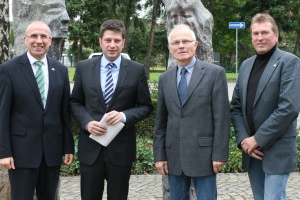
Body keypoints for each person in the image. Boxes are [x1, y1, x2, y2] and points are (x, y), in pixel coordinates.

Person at [70, 19, 153, 200]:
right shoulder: (83, 67)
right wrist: (87, 123)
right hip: (91, 149)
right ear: (100, 41)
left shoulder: (136, 70)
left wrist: (124, 115)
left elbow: (146, 106)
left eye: (117, 40)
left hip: (121, 150)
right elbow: (75, 102)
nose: (112, 45)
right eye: (108, 40)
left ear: (123, 42)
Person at [153, 24, 230, 200]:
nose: (181, 45)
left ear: (195, 45)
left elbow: (222, 118)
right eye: (176, 42)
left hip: (205, 156)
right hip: (174, 157)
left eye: (185, 41)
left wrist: (219, 154)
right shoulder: (165, 78)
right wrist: (159, 156)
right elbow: (161, 122)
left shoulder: (215, 74)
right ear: (170, 47)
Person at [0, 21, 74, 200]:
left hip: (52, 152)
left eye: (43, 37)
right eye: (34, 36)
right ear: (25, 39)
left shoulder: (61, 71)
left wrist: (68, 146)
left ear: (50, 41)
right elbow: (2, 114)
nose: (38, 41)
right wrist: (4, 152)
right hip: (21, 153)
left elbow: (65, 113)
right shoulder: (8, 70)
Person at [231, 13, 300, 200]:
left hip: (277, 151)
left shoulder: (289, 62)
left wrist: (258, 139)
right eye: (255, 33)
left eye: (265, 32)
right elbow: (236, 107)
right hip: (252, 152)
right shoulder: (246, 65)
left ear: (276, 35)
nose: (259, 38)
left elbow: (289, 107)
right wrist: (245, 140)